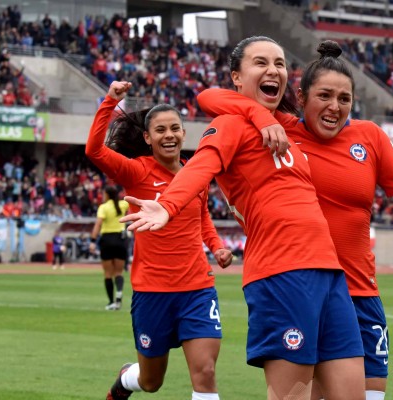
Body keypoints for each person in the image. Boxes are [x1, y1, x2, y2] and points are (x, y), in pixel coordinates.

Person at [194, 40, 393, 400]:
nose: (334, 107)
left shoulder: (369, 137)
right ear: (302, 98)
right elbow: (211, 98)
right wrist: (261, 116)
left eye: (344, 99)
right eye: (324, 96)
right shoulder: (281, 129)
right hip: (299, 287)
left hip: (359, 291)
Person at [118, 36, 366, 400]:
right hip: (283, 273)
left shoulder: (285, 126)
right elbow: (201, 160)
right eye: (260, 62)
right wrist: (168, 205)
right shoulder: (230, 125)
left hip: (329, 273)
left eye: (280, 63)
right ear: (236, 77)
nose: (273, 70)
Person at [86, 81, 234, 400]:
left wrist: (218, 247)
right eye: (161, 130)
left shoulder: (195, 173)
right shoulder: (136, 172)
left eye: (175, 129)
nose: (169, 135)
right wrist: (110, 102)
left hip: (197, 288)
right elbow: (94, 151)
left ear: (183, 133)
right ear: (147, 138)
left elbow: (202, 217)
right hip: (153, 291)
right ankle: (126, 379)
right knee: (152, 382)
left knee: (205, 372)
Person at [90, 185, 129, 311]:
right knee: (119, 272)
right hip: (120, 240)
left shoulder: (103, 207)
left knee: (108, 273)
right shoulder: (123, 205)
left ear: (107, 194)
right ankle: (118, 298)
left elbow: (98, 224)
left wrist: (92, 240)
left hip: (107, 240)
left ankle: (111, 302)